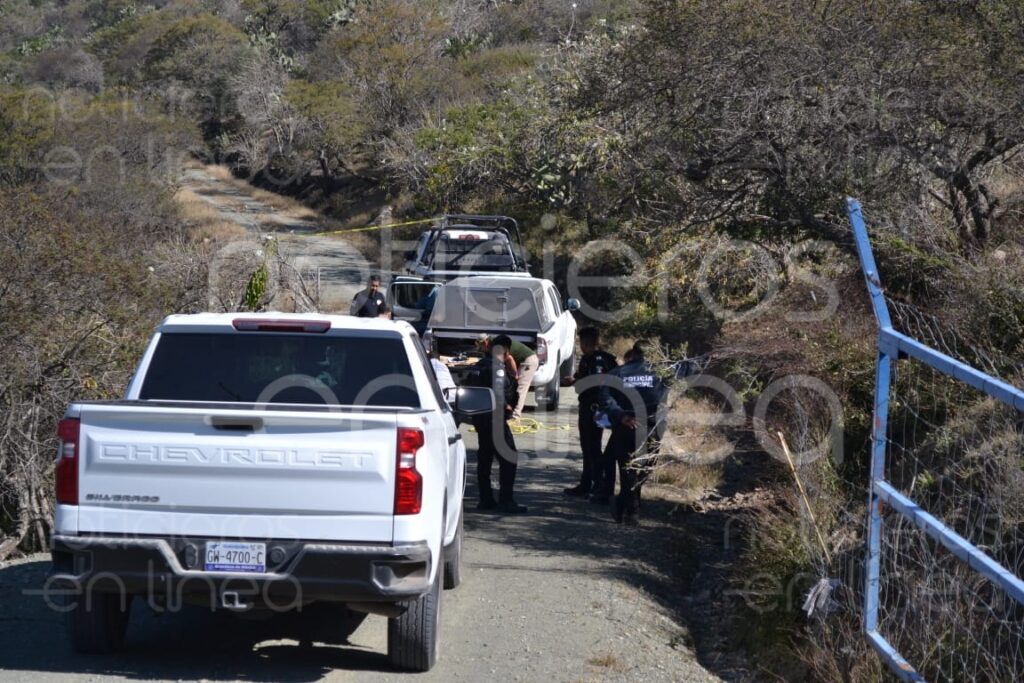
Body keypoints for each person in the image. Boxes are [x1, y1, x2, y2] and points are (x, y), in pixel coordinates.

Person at [598, 341, 667, 526]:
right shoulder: (662, 373)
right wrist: (621, 416)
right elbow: (604, 396)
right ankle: (632, 512)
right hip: (646, 426)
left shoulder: (618, 373)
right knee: (642, 468)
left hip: (632, 424)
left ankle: (623, 502)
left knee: (631, 469)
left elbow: (604, 397)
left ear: (634, 353)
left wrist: (620, 416)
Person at [466, 340, 528, 513]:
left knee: (485, 458)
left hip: (480, 418)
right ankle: (505, 500)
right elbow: (500, 390)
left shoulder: (477, 367)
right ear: (506, 351)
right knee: (509, 458)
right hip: (496, 419)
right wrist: (506, 406)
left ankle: (485, 499)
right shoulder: (498, 368)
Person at [562, 327, 618, 498]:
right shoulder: (608, 359)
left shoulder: (595, 360)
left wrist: (576, 381)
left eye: (581, 343)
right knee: (589, 447)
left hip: (593, 408)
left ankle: (598, 484)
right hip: (602, 407)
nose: (581, 346)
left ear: (586, 343)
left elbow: (596, 382)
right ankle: (588, 482)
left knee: (592, 447)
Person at [488, 334, 539, 421]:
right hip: (521, 360)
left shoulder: (499, 345)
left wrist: (515, 375)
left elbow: (510, 359)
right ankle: (508, 412)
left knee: (521, 387)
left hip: (528, 361)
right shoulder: (496, 343)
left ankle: (515, 416)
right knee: (513, 387)